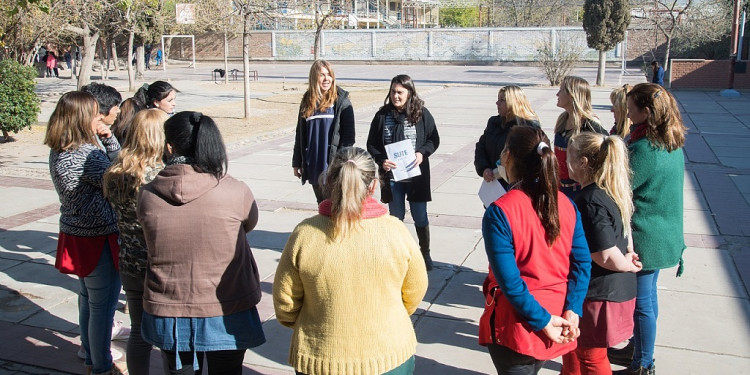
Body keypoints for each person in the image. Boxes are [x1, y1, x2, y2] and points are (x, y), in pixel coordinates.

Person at [273, 146, 428, 375]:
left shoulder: (305, 233)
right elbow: (415, 291)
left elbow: (285, 303)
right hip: (389, 356)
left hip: (321, 358)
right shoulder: (396, 231)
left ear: (328, 183)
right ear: (374, 185)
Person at [137, 111, 266, 374]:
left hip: (170, 306)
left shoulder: (147, 195)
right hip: (227, 303)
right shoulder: (236, 191)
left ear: (170, 147)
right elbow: (248, 224)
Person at [479, 125, 591, 375]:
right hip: (558, 318)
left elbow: (511, 283)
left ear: (507, 156)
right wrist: (572, 309)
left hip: (519, 328)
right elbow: (582, 264)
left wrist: (544, 321)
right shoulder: (567, 204)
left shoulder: (500, 211)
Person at [44, 91, 123, 375]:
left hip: (78, 232)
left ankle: (91, 357)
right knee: (102, 306)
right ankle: (101, 366)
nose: (99, 118)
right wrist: (111, 140)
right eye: (94, 114)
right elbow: (122, 174)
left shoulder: (62, 148)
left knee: (89, 299)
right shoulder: (85, 155)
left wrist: (105, 137)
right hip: (97, 238)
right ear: (81, 118)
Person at [612, 83, 687, 375]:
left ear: (646, 111)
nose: (627, 115)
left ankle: (643, 364)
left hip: (647, 237)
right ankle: (638, 351)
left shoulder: (645, 148)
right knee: (649, 298)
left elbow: (621, 187)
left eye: (631, 109)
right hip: (663, 233)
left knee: (641, 303)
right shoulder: (669, 141)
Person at [561, 132, 642, 375]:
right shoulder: (611, 192)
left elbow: (604, 254)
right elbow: (624, 240)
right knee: (572, 349)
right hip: (611, 290)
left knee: (590, 355)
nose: (564, 162)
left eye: (569, 158)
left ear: (583, 162)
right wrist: (628, 258)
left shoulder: (590, 200)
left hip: (599, 294)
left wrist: (627, 264)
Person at [103, 109, 168, 375]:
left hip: (129, 260)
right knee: (166, 335)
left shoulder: (116, 172)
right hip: (159, 264)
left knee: (139, 332)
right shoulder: (161, 175)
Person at [366, 74, 440, 270]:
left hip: (416, 177)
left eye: (400, 92)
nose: (395, 96)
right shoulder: (382, 116)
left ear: (410, 93)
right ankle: (396, 253)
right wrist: (382, 160)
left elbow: (434, 139)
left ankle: (425, 252)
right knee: (395, 218)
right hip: (392, 178)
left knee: (420, 216)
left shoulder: (422, 114)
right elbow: (372, 143)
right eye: (392, 92)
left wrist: (422, 153)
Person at [292, 60, 355, 203]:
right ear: (314, 78)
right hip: (314, 164)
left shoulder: (341, 102)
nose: (326, 79)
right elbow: (300, 134)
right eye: (322, 75)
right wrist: (297, 162)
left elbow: (348, 138)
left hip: (333, 165)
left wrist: (341, 163)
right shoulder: (307, 102)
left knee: (335, 207)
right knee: (322, 205)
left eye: (329, 75)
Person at [475, 85, 540, 190]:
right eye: (498, 99)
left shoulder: (528, 127)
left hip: (516, 186)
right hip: (493, 185)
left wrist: (499, 172)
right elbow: (481, 147)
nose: (497, 103)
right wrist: (484, 168)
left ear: (514, 103)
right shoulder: (493, 122)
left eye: (502, 100)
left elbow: (528, 161)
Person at [554, 76, 608, 199]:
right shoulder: (562, 120)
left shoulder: (590, 125)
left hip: (580, 192)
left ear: (572, 95)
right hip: (560, 189)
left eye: (561, 90)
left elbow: (607, 151)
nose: (557, 94)